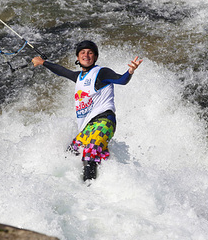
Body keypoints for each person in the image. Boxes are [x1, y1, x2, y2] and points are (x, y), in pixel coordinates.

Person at [31, 40, 143, 181]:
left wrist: (130, 71)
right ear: (78, 58)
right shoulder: (79, 77)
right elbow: (62, 71)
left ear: (95, 57)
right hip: (87, 127)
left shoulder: (101, 72)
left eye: (90, 53)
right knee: (69, 154)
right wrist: (42, 62)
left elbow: (121, 80)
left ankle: (90, 192)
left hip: (104, 121)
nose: (86, 55)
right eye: (82, 52)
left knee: (90, 154)